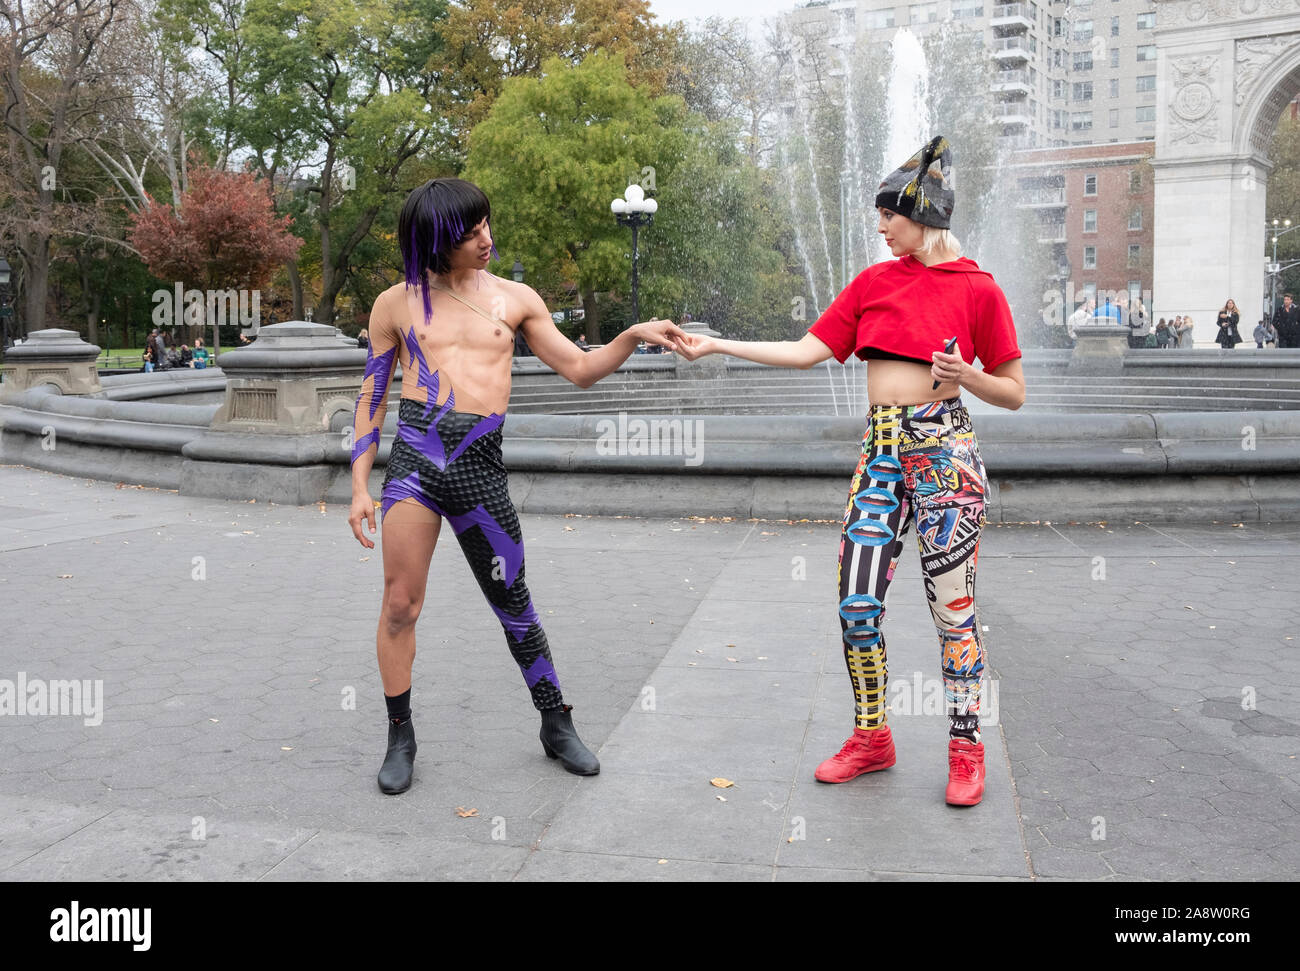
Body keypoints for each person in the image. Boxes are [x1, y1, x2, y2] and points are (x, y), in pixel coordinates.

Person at [673, 136, 1024, 807]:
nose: (882, 227)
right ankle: (872, 736)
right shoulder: (873, 284)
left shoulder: (978, 289)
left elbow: (1013, 390)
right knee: (856, 605)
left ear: (922, 212)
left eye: (888, 216)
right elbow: (807, 350)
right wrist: (716, 343)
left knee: (955, 614)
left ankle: (966, 747)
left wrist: (967, 376)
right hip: (881, 456)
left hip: (946, 458)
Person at [347, 177, 687, 795]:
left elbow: (580, 369)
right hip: (416, 469)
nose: (486, 240)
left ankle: (556, 723)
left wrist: (632, 335)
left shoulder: (516, 299)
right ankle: (401, 737)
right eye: (470, 234)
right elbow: (372, 393)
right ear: (435, 241)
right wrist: (359, 483)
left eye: (485, 226)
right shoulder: (395, 304)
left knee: (514, 603)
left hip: (480, 469)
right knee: (400, 605)